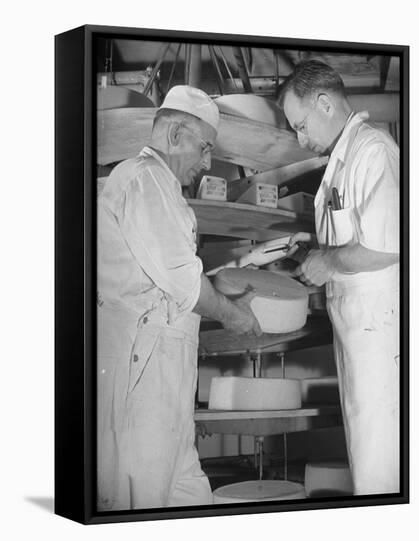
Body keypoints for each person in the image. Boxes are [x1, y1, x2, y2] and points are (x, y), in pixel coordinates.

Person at [97, 85, 261, 511]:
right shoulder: (144, 179)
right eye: (204, 148)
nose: (207, 163)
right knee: (145, 510)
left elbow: (175, 280)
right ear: (174, 135)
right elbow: (186, 286)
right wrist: (234, 316)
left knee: (190, 502)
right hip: (144, 379)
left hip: (166, 385)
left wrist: (227, 285)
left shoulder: (160, 188)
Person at [278, 60, 400, 495]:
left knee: (380, 464)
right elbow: (351, 240)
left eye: (300, 125)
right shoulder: (343, 159)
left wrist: (326, 263)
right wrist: (316, 250)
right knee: (365, 455)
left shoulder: (373, 151)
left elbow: (386, 246)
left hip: (378, 332)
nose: (300, 138)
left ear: (325, 103)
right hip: (356, 331)